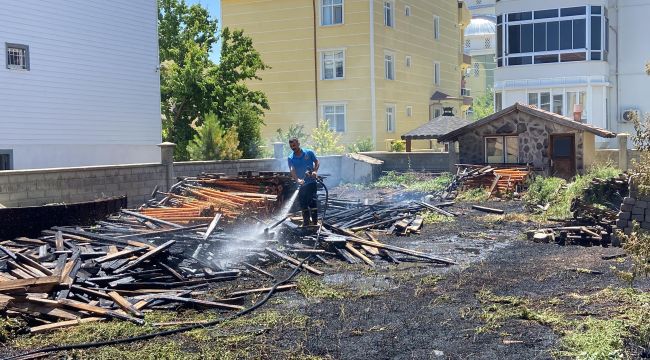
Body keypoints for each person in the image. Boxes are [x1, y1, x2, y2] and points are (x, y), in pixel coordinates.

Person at [287, 138, 320, 226]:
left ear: (298, 143)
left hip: (311, 183)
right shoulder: (291, 158)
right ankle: (306, 223)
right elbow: (292, 170)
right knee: (303, 205)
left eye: (294, 145)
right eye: (291, 146)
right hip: (301, 185)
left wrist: (315, 171)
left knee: (312, 203)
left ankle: (315, 223)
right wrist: (297, 180)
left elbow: (316, 161)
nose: (293, 147)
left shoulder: (309, 153)